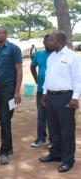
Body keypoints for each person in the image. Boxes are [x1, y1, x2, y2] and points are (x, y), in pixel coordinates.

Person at [39, 30, 81, 173]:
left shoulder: (72, 57)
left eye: (51, 40)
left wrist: (75, 97)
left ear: (60, 41)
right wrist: (44, 93)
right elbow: (47, 77)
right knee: (53, 128)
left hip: (65, 97)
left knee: (66, 130)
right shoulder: (51, 57)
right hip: (50, 97)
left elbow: (78, 79)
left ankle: (68, 160)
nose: (48, 43)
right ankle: (55, 154)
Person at [0, 26, 22, 165]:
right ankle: (9, 148)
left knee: (5, 120)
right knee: (3, 119)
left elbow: (19, 70)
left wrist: (17, 91)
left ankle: (4, 151)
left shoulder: (14, 49)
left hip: (10, 89)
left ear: (6, 34)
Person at [30, 34, 52, 147]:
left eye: (51, 41)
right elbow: (32, 66)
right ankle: (41, 138)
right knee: (41, 115)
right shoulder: (39, 54)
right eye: (47, 41)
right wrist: (36, 79)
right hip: (40, 91)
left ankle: (53, 140)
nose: (49, 43)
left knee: (53, 116)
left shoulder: (56, 55)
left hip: (53, 91)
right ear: (43, 42)